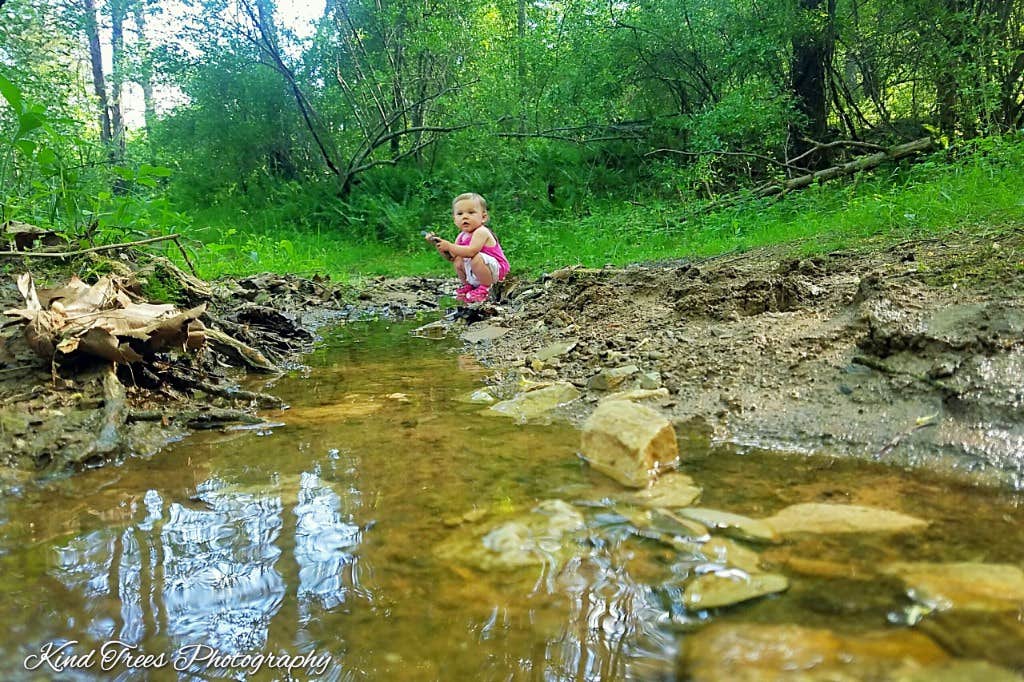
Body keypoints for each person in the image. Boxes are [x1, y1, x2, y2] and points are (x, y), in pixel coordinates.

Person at [425, 192, 510, 303]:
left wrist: (450, 245)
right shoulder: (461, 236)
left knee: (475, 257)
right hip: (479, 272)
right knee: (458, 259)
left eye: (471, 212)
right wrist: (439, 245)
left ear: (483, 217)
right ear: (455, 220)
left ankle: (486, 288)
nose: (465, 216)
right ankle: (469, 286)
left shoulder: (481, 231)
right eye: (460, 214)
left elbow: (471, 251)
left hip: (497, 271)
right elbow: (451, 257)